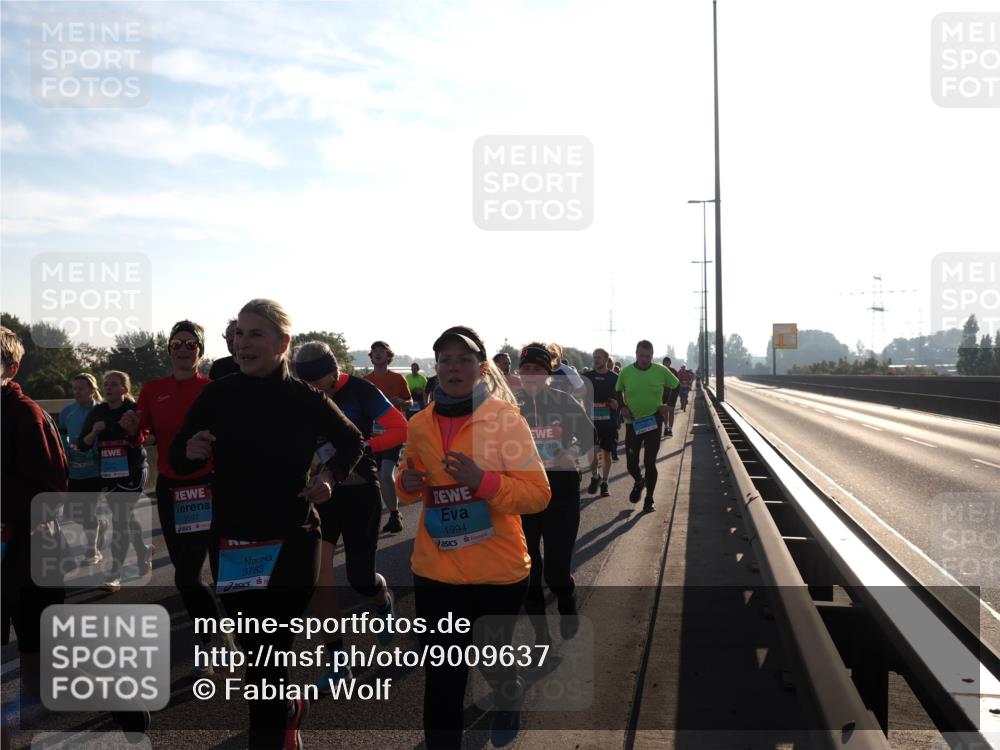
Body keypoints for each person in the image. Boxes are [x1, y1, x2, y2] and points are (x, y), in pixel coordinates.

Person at [170, 299, 364, 750]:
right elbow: (179, 452)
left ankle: (271, 731)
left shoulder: (305, 398)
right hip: (235, 542)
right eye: (239, 333)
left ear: (282, 343)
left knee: (268, 655)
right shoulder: (218, 394)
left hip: (293, 539)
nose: (243, 343)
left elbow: (352, 441)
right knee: (256, 653)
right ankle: (287, 711)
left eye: (256, 333)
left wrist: (329, 478)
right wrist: (191, 451)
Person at [396, 325, 550, 750]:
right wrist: (406, 483)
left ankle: (508, 693)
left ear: (481, 369)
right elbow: (408, 483)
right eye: (445, 360)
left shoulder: (506, 420)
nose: (453, 367)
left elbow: (538, 494)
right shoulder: (419, 423)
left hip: (497, 571)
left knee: (491, 658)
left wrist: (483, 482)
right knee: (443, 677)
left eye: (464, 360)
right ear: (436, 367)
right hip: (436, 571)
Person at [292, 341, 406, 694]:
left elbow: (400, 428)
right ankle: (338, 662)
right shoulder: (298, 395)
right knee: (320, 576)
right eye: (308, 384)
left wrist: (363, 445)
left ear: (334, 371)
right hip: (319, 495)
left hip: (360, 491)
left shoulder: (360, 390)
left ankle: (381, 598)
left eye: (322, 384)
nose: (318, 391)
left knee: (360, 579)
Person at [130, 320, 229, 676]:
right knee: (186, 575)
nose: (184, 349)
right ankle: (214, 635)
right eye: (177, 344)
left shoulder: (214, 389)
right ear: (169, 350)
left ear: (200, 350)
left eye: (191, 344)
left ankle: (215, 639)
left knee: (210, 572)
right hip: (171, 488)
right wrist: (132, 429)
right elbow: (140, 433)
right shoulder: (152, 389)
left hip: (208, 486)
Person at [1, 326, 68, 719]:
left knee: (33, 636)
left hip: (26, 545)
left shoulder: (25, 414)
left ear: (11, 367)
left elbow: (51, 487)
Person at [515, 343, 593, 643]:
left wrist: (571, 452)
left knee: (556, 571)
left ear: (548, 373)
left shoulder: (563, 401)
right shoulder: (511, 406)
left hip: (561, 493)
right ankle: (541, 635)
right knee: (529, 571)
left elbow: (588, 434)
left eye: (537, 369)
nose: (531, 374)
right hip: (523, 496)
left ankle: (566, 599)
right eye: (526, 369)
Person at [78, 370, 152, 593]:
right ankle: (142, 550)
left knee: (120, 519)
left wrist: (132, 431)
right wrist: (94, 432)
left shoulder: (133, 410)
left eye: (114, 384)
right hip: (110, 473)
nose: (108, 387)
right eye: (106, 384)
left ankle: (114, 574)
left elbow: (151, 436)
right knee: (125, 517)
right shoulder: (98, 412)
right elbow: (82, 444)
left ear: (125, 389)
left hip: (134, 471)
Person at [616, 341, 679, 512]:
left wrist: (668, 405)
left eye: (648, 356)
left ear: (652, 356)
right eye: (641, 356)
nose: (644, 359)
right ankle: (639, 481)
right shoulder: (626, 372)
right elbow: (618, 390)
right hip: (633, 423)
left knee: (650, 462)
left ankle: (649, 499)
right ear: (636, 354)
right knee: (631, 464)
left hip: (654, 421)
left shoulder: (660, 370)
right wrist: (622, 406)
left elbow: (676, 385)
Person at [58, 373, 108, 564]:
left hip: (95, 470)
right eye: (74, 388)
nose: (76, 392)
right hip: (74, 470)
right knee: (73, 513)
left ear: (92, 390)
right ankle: (100, 525)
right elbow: (62, 437)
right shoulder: (67, 411)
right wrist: (65, 455)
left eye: (81, 388)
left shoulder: (101, 411)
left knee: (88, 512)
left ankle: (92, 551)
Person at [364, 341, 412, 533]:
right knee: (380, 476)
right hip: (374, 434)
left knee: (385, 473)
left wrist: (400, 401)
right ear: (371, 356)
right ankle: (393, 514)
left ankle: (394, 514)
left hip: (394, 433)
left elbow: (410, 401)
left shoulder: (398, 378)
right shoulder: (366, 381)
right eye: (374, 351)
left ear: (388, 356)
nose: (377, 354)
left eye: (381, 351)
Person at [582, 348, 619, 496]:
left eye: (599, 357)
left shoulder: (614, 377)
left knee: (606, 454)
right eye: (594, 357)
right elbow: (579, 396)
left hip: (608, 421)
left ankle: (605, 482)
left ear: (606, 359)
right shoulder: (586, 377)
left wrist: (616, 404)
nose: (596, 360)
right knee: (591, 452)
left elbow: (620, 399)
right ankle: (595, 476)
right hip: (591, 422)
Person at [661, 356, 680, 438]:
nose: (667, 364)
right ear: (663, 363)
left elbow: (678, 383)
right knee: (665, 412)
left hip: (672, 394)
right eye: (665, 362)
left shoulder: (673, 371)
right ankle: (666, 427)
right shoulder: (660, 371)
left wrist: (677, 393)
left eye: (668, 362)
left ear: (670, 363)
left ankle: (670, 429)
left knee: (671, 412)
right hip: (662, 395)